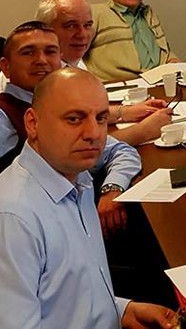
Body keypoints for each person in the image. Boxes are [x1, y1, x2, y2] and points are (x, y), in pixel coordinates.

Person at [0, 67, 175, 329]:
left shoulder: (77, 177)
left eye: (101, 118)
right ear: (33, 123)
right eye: (74, 119)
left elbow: (66, 295)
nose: (94, 133)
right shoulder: (14, 218)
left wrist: (121, 311)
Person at [0, 21, 142, 237]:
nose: (41, 60)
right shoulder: (4, 116)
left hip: (82, 218)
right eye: (28, 52)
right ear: (6, 67)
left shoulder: (60, 102)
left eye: (50, 52)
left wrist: (112, 188)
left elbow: (120, 150)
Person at [34, 0, 173, 146]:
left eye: (88, 25)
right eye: (71, 26)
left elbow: (85, 112)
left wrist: (126, 112)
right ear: (45, 31)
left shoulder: (74, 63)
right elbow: (76, 147)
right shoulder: (40, 76)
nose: (83, 34)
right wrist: (144, 131)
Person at [85, 0, 179, 82]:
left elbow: (162, 47)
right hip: (122, 84)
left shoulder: (148, 13)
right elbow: (75, 53)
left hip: (160, 79)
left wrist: (172, 60)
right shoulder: (95, 13)